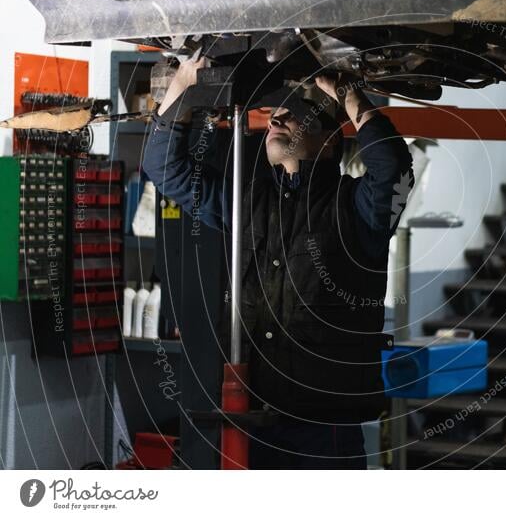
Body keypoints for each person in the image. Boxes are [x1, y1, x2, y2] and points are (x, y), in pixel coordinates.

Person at [142, 55, 414, 469]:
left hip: (325, 431)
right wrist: (184, 82)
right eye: (274, 117)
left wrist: (348, 95)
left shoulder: (356, 209)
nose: (275, 122)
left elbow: (394, 167)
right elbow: (163, 167)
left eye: (294, 117)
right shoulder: (245, 201)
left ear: (327, 142)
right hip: (252, 417)